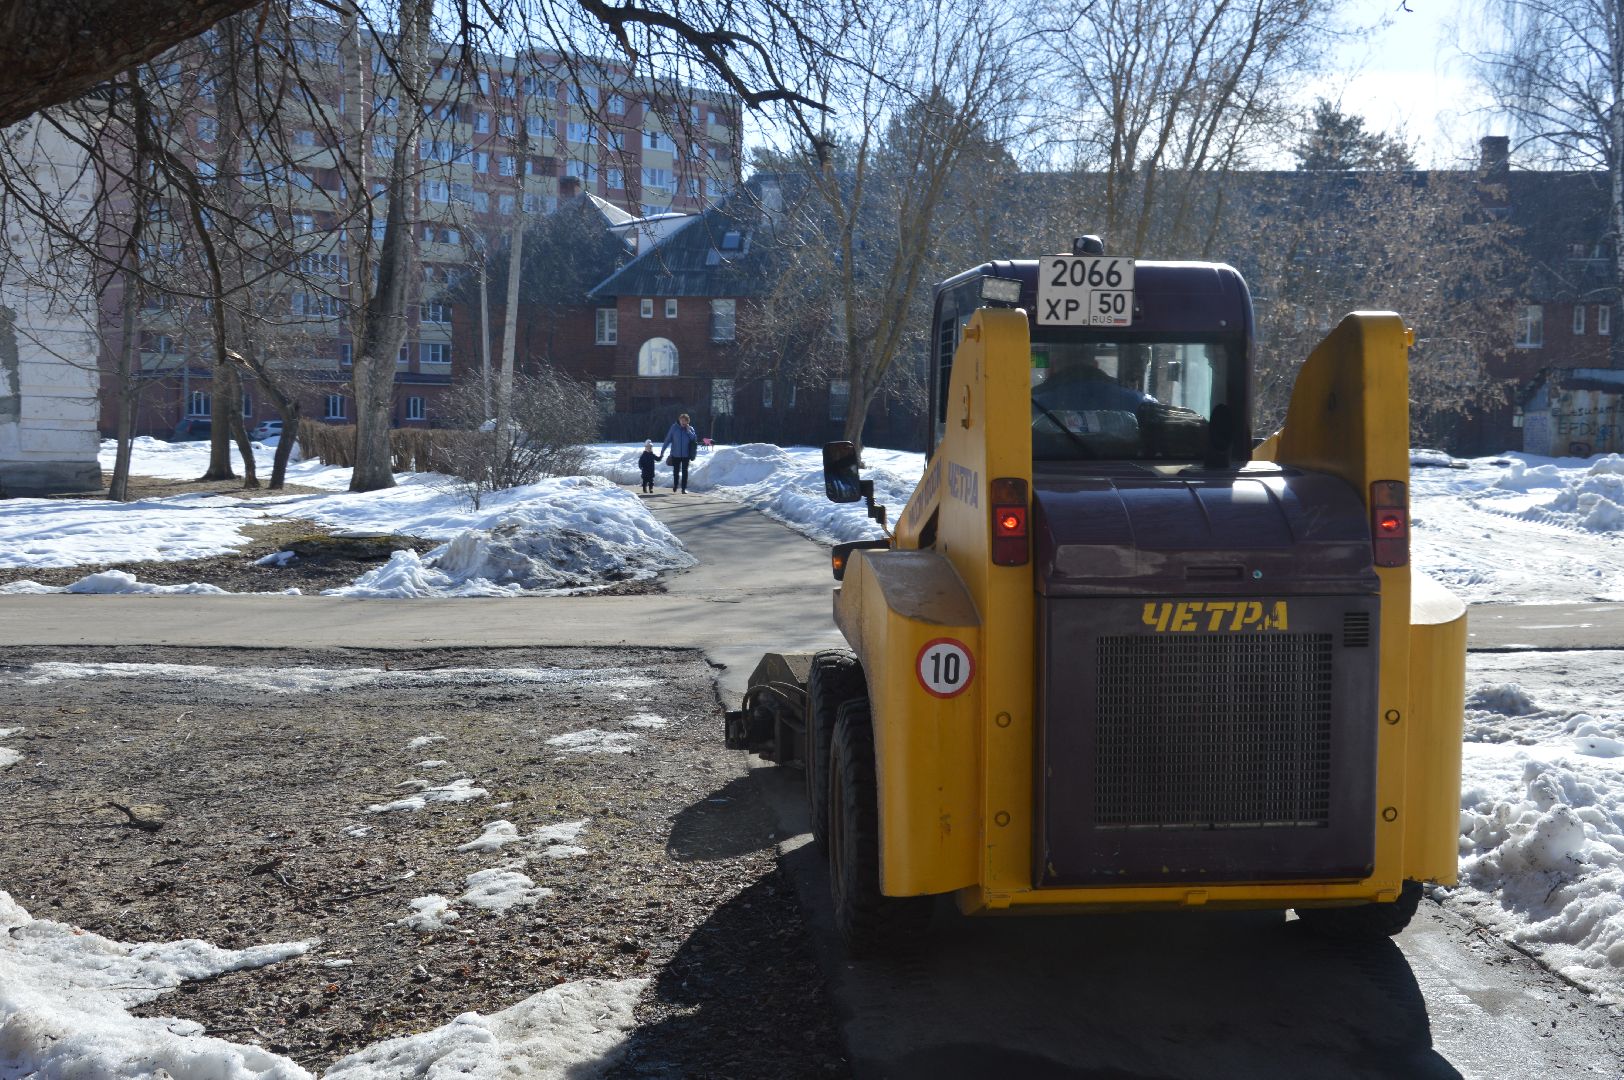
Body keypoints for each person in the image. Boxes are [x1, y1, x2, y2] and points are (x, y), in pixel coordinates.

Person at [660, 412, 699, 493]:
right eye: (682, 420)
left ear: (687, 422)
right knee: (676, 471)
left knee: (685, 472)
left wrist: (688, 431)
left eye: (685, 421)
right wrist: (662, 450)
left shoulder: (690, 429)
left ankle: (683, 488)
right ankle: (675, 485)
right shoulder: (674, 428)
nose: (683, 422)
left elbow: (694, 440)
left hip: (686, 454)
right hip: (675, 454)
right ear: (679, 420)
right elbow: (668, 439)